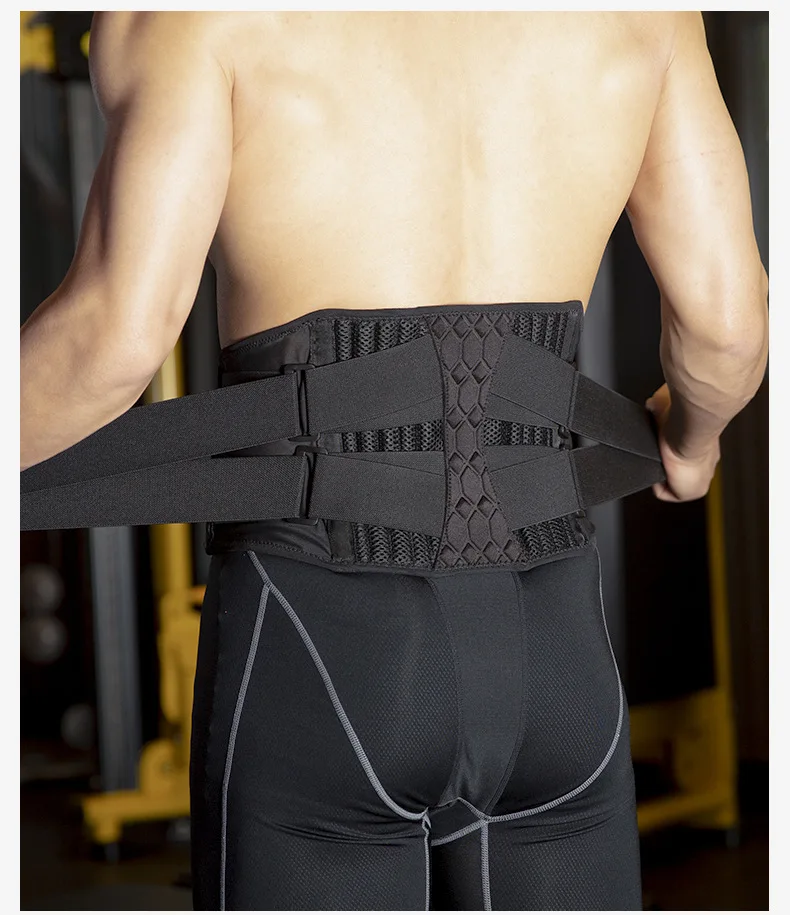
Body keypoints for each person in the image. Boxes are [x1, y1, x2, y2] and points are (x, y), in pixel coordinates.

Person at [20, 11, 768, 911]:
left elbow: (112, 339)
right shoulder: (648, 16)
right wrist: (691, 443)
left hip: (321, 639)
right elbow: (729, 326)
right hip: (557, 653)